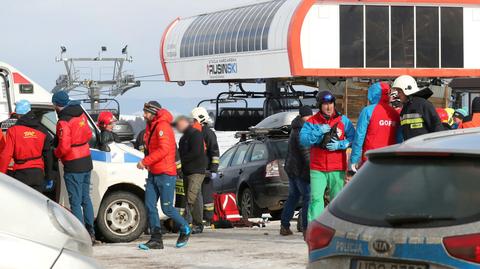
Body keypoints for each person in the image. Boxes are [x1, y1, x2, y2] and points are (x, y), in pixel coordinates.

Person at [137, 101, 191, 249]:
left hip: (166, 173)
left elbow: (164, 150)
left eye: (146, 112)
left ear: (154, 113)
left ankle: (185, 228)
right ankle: (156, 239)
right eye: (144, 111)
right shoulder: (151, 125)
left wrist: (145, 161)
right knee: (149, 205)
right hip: (154, 172)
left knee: (166, 208)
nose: (144, 114)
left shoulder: (162, 127)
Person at [300, 90, 355, 222]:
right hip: (318, 168)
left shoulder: (343, 120)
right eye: (325, 104)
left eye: (331, 103)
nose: (329, 107)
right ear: (319, 105)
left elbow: (353, 137)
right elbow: (303, 139)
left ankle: (336, 227)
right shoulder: (312, 121)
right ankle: (314, 227)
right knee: (316, 199)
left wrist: (341, 144)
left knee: (337, 200)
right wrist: (318, 131)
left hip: (337, 167)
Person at [52, 91, 95, 243]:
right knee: (86, 199)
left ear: (57, 105)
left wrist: (55, 153)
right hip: (86, 159)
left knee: (75, 201)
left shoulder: (63, 121)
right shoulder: (80, 114)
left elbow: (63, 147)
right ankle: (91, 231)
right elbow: (89, 134)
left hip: (73, 163)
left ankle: (80, 236)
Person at [0, 100, 53, 192]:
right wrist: (49, 176)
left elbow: (6, 155)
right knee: (37, 202)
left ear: (18, 114)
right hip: (38, 173)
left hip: (21, 173)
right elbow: (47, 154)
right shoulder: (42, 130)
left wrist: (2, 175)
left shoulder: (13, 131)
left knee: (22, 203)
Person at [350, 82, 400, 171]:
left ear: (372, 94)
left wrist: (354, 159)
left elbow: (359, 136)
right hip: (390, 159)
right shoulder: (395, 113)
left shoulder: (368, 111)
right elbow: (399, 138)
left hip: (370, 159)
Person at [280, 106, 312, 236]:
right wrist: (312, 169)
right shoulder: (301, 130)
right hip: (300, 170)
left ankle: (284, 225)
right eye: (309, 116)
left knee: (293, 197)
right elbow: (305, 152)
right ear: (304, 116)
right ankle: (306, 228)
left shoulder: (296, 128)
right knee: (308, 198)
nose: (310, 118)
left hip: (292, 169)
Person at [175, 115, 208, 234]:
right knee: (189, 198)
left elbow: (196, 152)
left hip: (196, 171)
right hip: (186, 171)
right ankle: (189, 223)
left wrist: (181, 161)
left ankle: (198, 224)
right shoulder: (183, 138)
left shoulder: (196, 135)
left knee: (193, 197)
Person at [191, 107, 220, 225]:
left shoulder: (208, 133)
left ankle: (208, 218)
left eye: (194, 119)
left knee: (206, 196)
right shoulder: (195, 133)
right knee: (197, 196)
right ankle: (200, 218)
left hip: (206, 170)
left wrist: (213, 169)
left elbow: (214, 152)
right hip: (197, 170)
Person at [392, 75, 443, 140]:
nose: (398, 95)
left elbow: (437, 127)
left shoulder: (423, 104)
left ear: (407, 90)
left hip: (424, 148)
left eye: (399, 92)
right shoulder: (405, 109)